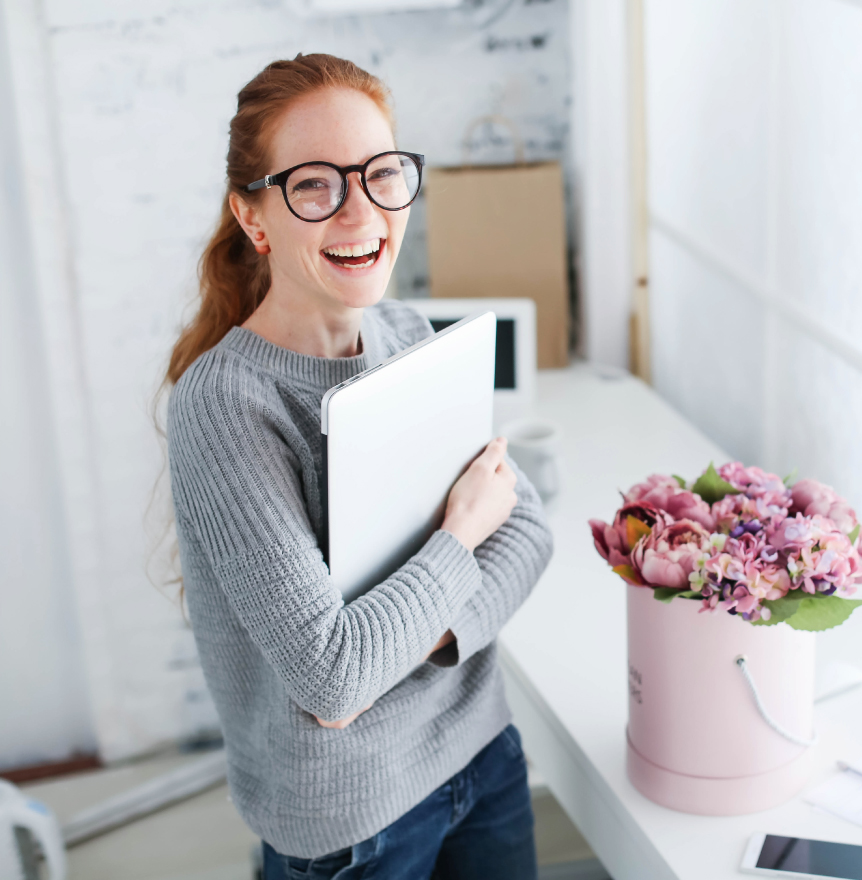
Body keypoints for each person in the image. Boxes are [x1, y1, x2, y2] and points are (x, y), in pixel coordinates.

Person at [164, 53, 552, 879]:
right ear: (253, 215)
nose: (361, 211)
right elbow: (337, 678)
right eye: (314, 184)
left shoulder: (409, 334)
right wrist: (460, 534)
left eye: (382, 174)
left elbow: (529, 534)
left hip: (481, 755)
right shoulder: (224, 406)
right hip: (352, 823)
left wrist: (406, 642)